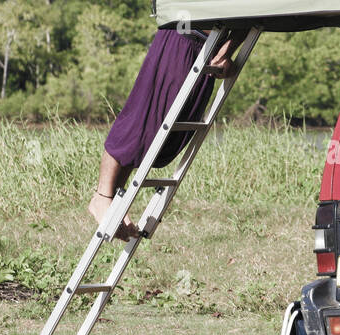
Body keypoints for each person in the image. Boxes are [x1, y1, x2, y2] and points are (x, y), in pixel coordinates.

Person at [87, 27, 243, 239]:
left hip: (208, 46)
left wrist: (224, 53)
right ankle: (102, 196)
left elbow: (248, 18)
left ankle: (115, 199)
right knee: (142, 119)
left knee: (162, 138)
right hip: (182, 35)